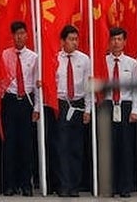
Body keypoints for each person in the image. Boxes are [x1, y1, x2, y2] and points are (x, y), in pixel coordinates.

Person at [0, 20, 41, 197]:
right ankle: (10, 184)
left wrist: (37, 107)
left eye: (23, 33)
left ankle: (26, 184)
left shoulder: (34, 57)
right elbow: (0, 80)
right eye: (16, 34)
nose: (20, 37)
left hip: (26, 101)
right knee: (10, 144)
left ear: (27, 35)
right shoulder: (5, 54)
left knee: (26, 145)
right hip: (9, 101)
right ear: (12, 36)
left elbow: (38, 85)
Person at [52, 24, 92, 198]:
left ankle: (74, 185)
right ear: (62, 41)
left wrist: (88, 109)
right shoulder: (54, 58)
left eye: (76, 39)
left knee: (76, 147)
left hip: (78, 104)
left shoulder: (84, 59)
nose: (74, 43)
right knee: (61, 147)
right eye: (71, 39)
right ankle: (63, 184)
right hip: (61, 104)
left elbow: (88, 85)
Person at [102, 27, 137, 198]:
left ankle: (125, 186)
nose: (116, 43)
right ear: (109, 42)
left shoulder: (132, 64)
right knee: (109, 147)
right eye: (113, 39)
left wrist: (135, 110)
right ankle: (110, 186)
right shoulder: (102, 62)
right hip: (108, 105)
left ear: (125, 42)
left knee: (126, 147)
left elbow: (136, 90)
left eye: (119, 39)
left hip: (125, 106)